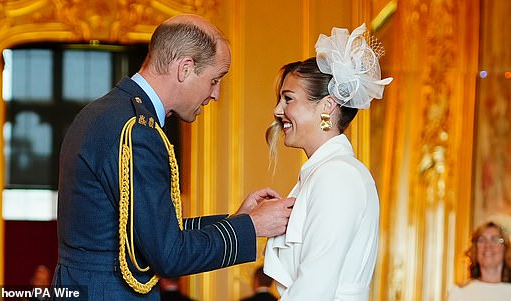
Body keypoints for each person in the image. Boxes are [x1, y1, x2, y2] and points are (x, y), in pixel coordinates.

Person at [52, 13, 295, 300]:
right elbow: (168, 255)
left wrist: (237, 219)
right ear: (185, 68)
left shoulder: (107, 112)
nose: (215, 94)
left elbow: (148, 230)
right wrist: (251, 227)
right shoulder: (137, 130)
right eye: (214, 80)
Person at [263, 23, 392, 300]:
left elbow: (314, 288)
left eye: (288, 99)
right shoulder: (324, 173)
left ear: (327, 106)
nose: (277, 111)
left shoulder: (337, 176)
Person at [447, 221, 511, 301]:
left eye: (495, 239)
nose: (488, 245)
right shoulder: (459, 292)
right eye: (482, 240)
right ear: (475, 250)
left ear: (505, 248)